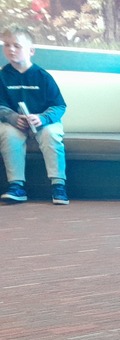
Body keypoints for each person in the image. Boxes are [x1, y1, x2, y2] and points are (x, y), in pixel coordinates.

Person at [0, 25, 69, 205]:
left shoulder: (43, 76)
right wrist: (12, 118)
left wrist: (42, 118)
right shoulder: (2, 76)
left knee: (51, 134)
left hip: (44, 121)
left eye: (17, 45)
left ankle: (58, 185)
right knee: (7, 134)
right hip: (14, 123)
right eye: (6, 45)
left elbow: (59, 106)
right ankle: (16, 186)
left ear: (31, 51)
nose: (11, 49)